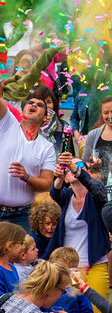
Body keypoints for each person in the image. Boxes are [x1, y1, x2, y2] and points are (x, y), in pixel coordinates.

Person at [48, 149, 112, 313]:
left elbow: (98, 189)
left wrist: (73, 168)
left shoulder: (96, 196)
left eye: (78, 166)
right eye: (68, 167)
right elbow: (54, 192)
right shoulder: (66, 196)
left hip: (94, 265)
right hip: (67, 269)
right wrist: (59, 176)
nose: (72, 168)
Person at [0, 92, 57, 230]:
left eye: (40, 105)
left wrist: (27, 177)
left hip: (22, 216)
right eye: (30, 103)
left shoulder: (47, 148)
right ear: (22, 111)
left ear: (45, 118)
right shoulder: (8, 124)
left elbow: (47, 184)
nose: (34, 105)